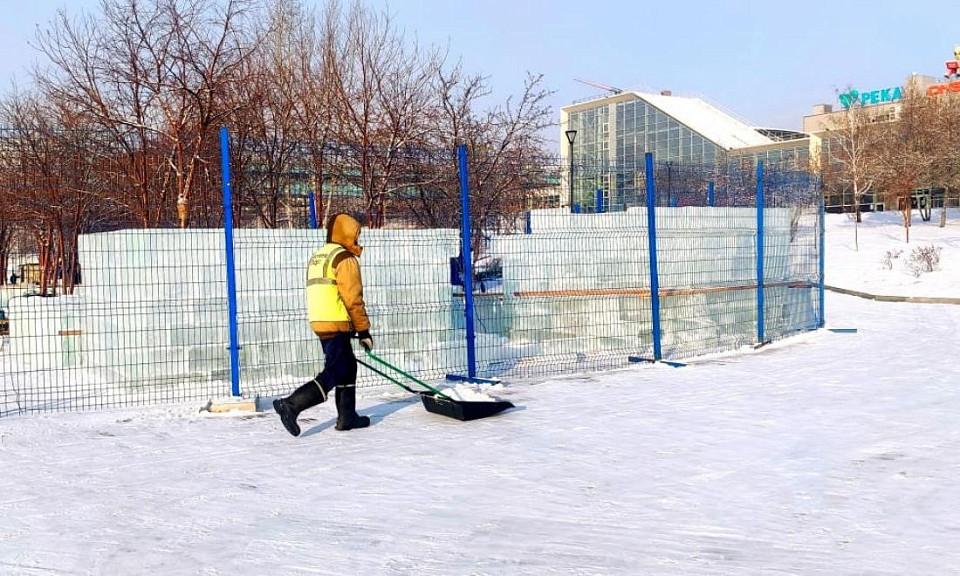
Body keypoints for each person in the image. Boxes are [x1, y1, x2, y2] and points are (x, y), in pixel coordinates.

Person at [273, 213, 373, 436]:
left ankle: (347, 417)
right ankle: (291, 405)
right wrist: (363, 330)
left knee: (347, 367)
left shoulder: (320, 255)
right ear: (348, 233)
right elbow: (353, 298)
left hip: (320, 319)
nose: (358, 239)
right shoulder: (344, 258)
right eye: (356, 234)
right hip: (336, 321)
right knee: (336, 370)